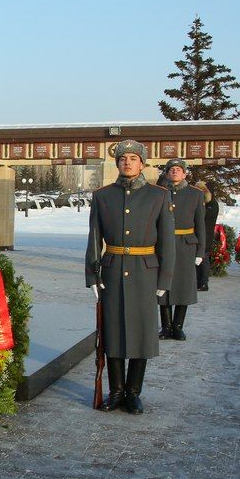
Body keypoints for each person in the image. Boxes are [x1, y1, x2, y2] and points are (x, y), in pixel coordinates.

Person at [85, 140, 174, 414]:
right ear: (117, 163)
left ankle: (134, 392)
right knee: (112, 331)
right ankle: (116, 391)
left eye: (134, 158)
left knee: (141, 332)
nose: (128, 162)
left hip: (145, 272)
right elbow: (94, 237)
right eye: (123, 158)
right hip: (111, 270)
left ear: (143, 163)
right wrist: (92, 275)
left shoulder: (158, 195)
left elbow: (167, 242)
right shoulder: (103, 196)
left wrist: (164, 280)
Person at [157, 159, 205, 341]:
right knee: (164, 285)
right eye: (172, 169)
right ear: (167, 173)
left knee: (183, 286)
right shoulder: (160, 193)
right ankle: (166, 326)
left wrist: (200, 251)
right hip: (164, 244)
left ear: (185, 174)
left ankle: (178, 326)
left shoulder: (195, 194)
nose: (175, 172)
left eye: (179, 170)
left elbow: (200, 225)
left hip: (186, 245)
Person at [194, 180, 218, 291]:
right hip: (199, 235)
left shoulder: (211, 204)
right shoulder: (204, 203)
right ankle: (199, 281)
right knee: (199, 259)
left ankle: (204, 282)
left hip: (206, 235)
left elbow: (203, 219)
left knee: (203, 258)